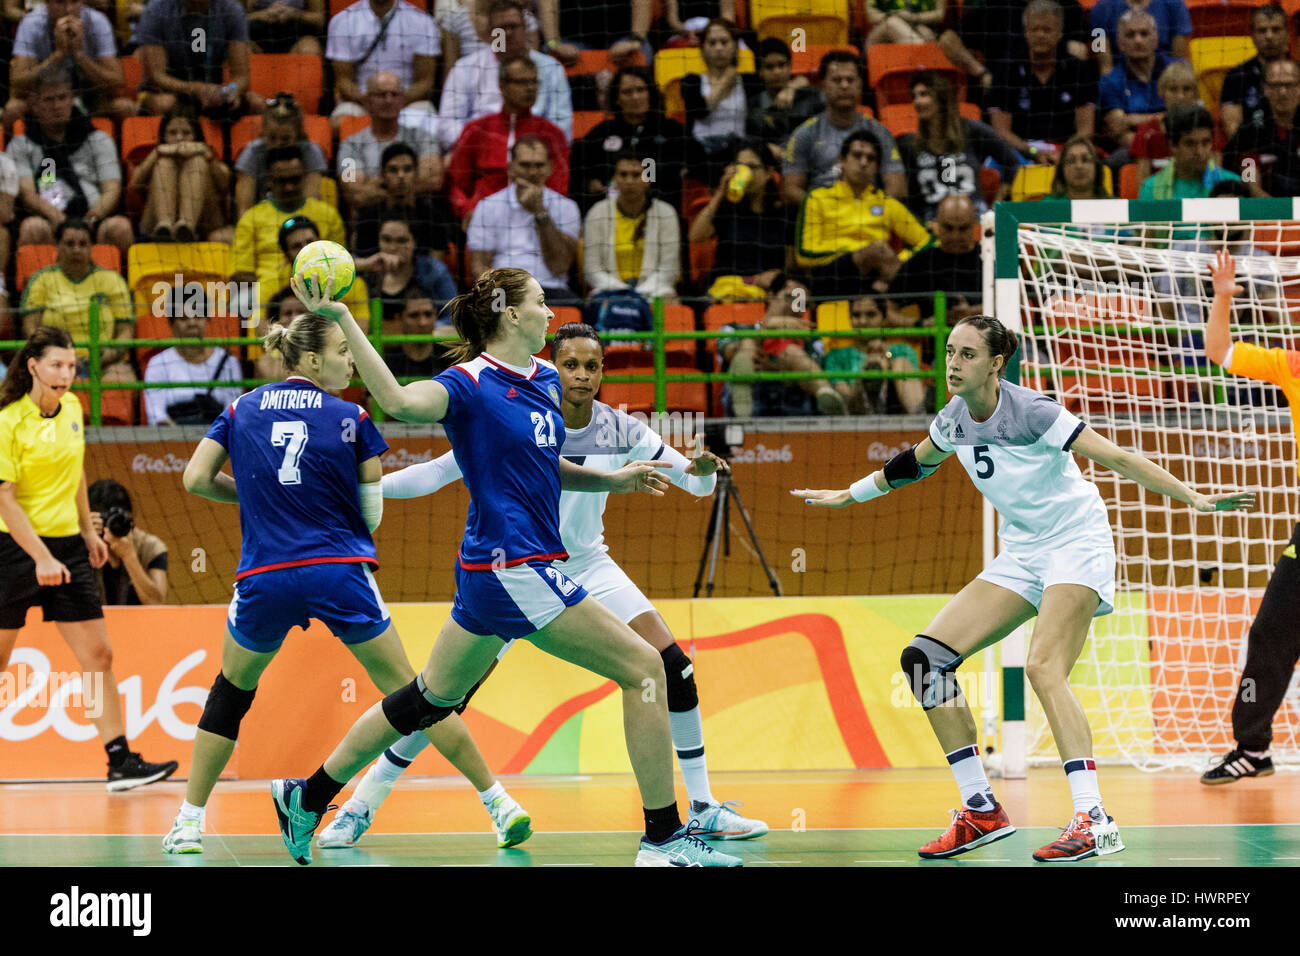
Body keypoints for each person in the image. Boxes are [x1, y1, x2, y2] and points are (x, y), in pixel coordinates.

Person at [270, 267, 742, 867]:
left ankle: (306, 795)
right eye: (542, 303)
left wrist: (610, 481)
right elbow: (395, 400)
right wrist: (341, 318)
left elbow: (543, 464)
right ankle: (663, 838)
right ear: (511, 315)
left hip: (492, 574)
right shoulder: (467, 384)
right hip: (514, 566)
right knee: (645, 669)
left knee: (427, 700)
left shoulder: (544, 378)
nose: (550, 313)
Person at [796, 314, 1254, 861]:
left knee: (1042, 668)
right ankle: (980, 810)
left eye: (967, 355)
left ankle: (1094, 819)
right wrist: (851, 493)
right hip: (1023, 552)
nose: (953, 364)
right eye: (948, 353)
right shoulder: (954, 418)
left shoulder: (1035, 412)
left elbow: (1118, 457)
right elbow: (914, 465)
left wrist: (1194, 499)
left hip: (1075, 543)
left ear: (996, 363)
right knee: (923, 660)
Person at [161, 310, 497, 855]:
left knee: (230, 693)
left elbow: (195, 479)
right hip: (338, 571)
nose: (351, 360)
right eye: (344, 351)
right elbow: (371, 516)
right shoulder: (351, 416)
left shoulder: (240, 408)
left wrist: (262, 501)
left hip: (265, 574)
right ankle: (497, 804)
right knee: (417, 692)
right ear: (314, 360)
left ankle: (187, 823)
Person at [0, 327, 179, 790]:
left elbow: (75, 471)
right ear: (33, 366)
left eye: (72, 366)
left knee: (98, 654)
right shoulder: (7, 421)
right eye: (56, 365)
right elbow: (5, 499)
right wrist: (39, 557)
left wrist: (86, 532)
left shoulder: (75, 409)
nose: (66, 374)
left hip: (67, 548)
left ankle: (119, 761)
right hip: (14, 549)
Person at [1198, 250, 1300, 784]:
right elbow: (1218, 350)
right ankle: (1253, 748)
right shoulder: (1293, 364)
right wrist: (1222, 298)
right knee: (1270, 634)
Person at [8, 67, 135, 258]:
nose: (57, 106)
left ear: (72, 99)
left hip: (93, 220)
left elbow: (112, 189)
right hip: (49, 222)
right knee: (32, 227)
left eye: (62, 97)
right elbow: (27, 194)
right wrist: (58, 219)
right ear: (34, 105)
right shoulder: (22, 144)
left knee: (120, 227)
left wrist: (90, 219)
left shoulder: (98, 139)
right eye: (49, 100)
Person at [796, 130, 933, 298]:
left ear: (877, 167)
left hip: (876, 273)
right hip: (831, 275)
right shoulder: (817, 197)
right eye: (857, 155)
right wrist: (861, 252)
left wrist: (903, 257)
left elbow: (928, 241)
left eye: (871, 158)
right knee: (878, 251)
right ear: (842, 160)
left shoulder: (885, 202)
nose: (863, 162)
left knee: (884, 264)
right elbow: (804, 255)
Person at [446, 54, 569, 225]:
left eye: (534, 82)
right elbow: (457, 184)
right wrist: (467, 210)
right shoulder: (476, 130)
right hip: (484, 222)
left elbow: (560, 186)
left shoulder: (551, 134)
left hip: (535, 221)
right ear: (502, 86)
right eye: (521, 82)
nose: (530, 88)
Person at [438, 0, 572, 151]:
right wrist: (488, 143)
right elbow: (447, 127)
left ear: (525, 28)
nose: (507, 33)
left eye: (513, 26)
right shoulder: (464, 68)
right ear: (489, 34)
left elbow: (562, 129)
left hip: (535, 154)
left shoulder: (551, 68)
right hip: (480, 152)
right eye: (501, 29)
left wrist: (524, 148)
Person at [569, 64, 702, 215]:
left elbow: (698, 163)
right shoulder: (602, 132)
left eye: (641, 90)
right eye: (627, 92)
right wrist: (589, 183)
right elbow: (577, 166)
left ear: (650, 93)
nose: (635, 97)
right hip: (607, 212)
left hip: (660, 211)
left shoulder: (672, 130)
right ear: (617, 99)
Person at [19, 218, 136, 386]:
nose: (76, 250)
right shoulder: (41, 279)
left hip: (103, 362)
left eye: (83, 244)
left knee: (124, 379)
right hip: (52, 361)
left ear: (91, 248)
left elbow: (125, 331)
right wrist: (54, 358)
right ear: (57, 246)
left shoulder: (112, 280)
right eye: (69, 244)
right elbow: (30, 328)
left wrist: (107, 354)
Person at [782, 50, 906, 204]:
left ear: (860, 85)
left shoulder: (879, 132)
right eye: (837, 80)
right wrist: (822, 209)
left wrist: (873, 211)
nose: (844, 85)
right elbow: (790, 190)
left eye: (850, 79)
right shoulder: (804, 134)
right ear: (823, 86)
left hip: (868, 216)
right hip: (822, 217)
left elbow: (898, 188)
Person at [466, 136, 581, 303]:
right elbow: (478, 266)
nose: (533, 172)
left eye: (539, 165)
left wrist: (540, 212)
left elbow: (560, 266)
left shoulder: (567, 207)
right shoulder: (487, 206)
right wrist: (496, 291)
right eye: (525, 165)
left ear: (550, 168)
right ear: (510, 167)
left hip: (552, 290)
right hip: (503, 291)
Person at [230, 146, 347, 306]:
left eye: (294, 179)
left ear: (305, 177)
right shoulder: (252, 218)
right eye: (282, 181)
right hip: (269, 291)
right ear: (270, 180)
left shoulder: (328, 214)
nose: (289, 187)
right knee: (239, 302)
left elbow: (341, 261)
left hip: (320, 285)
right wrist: (273, 282)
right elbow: (240, 273)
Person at [986, 0, 1098, 164]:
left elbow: (1086, 129)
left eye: (1046, 30)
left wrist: (1063, 152)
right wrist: (1032, 152)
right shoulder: (1005, 70)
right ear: (1025, 32)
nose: (1040, 35)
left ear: (1060, 33)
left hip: (1067, 151)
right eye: (1034, 29)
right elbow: (1001, 131)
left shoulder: (1078, 69)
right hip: (1020, 150)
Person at [898, 71, 1019, 221]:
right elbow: (909, 197)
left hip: (975, 219)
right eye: (914, 96)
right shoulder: (910, 144)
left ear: (941, 97)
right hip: (934, 223)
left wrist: (995, 208)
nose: (917, 102)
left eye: (924, 94)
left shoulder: (973, 130)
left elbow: (1012, 163)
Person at [720, 275, 847, 418]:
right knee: (747, 345)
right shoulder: (734, 329)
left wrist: (776, 370)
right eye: (790, 298)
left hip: (794, 406)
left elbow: (817, 367)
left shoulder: (811, 339)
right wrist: (767, 327)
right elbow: (729, 352)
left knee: (793, 353)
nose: (796, 307)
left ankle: (829, 398)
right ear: (770, 295)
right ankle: (742, 401)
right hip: (751, 403)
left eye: (802, 302)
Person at [689, 140, 793, 300]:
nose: (745, 172)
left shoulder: (784, 215)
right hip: (726, 289)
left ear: (768, 173)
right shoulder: (728, 209)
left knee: (796, 294)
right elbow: (696, 235)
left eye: (751, 167)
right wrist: (721, 192)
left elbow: (790, 266)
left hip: (770, 292)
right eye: (739, 166)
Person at [5, 0, 135, 123]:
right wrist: (58, 55)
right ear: (47, 3)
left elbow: (117, 87)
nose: (68, 9)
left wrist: (80, 56)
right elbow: (18, 87)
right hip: (46, 99)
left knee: (124, 107)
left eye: (74, 1)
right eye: (60, 2)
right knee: (13, 109)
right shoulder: (31, 23)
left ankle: (108, 146)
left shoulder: (98, 22)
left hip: (90, 98)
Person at [581, 152, 680, 307]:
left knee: (670, 301)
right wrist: (623, 291)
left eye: (636, 175)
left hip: (654, 289)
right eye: (623, 175)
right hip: (610, 289)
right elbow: (592, 270)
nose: (629, 181)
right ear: (615, 179)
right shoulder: (597, 212)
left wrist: (639, 294)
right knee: (596, 302)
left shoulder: (666, 213)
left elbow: (668, 270)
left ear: (648, 180)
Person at [133, 0, 263, 117]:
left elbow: (241, 77)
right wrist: (196, 89)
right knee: (165, 103)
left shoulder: (232, 10)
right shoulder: (155, 10)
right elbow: (157, 77)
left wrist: (231, 90)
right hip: (169, 91)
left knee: (256, 103)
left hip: (213, 91)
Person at [336, 70, 444, 210]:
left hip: (416, 216)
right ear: (367, 101)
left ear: (402, 100)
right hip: (371, 220)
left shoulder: (423, 137)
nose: (389, 100)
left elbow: (434, 179)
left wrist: (377, 182)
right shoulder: (349, 145)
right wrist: (407, 182)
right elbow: (352, 191)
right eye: (381, 95)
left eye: (394, 94)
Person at [326, 0, 439, 123]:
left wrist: (396, 100)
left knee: (430, 123)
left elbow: (425, 81)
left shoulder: (422, 22)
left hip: (407, 100)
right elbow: (343, 80)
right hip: (361, 101)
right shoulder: (343, 21)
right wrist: (367, 99)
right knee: (339, 123)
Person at [131, 105, 232, 243]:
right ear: (163, 135)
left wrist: (205, 152)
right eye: (172, 133)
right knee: (164, 163)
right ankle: (165, 226)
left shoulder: (205, 156)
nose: (179, 138)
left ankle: (186, 227)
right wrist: (157, 152)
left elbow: (226, 184)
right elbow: (134, 183)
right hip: (154, 230)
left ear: (196, 135)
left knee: (197, 162)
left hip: (204, 229)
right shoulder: (159, 155)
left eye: (186, 133)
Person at [681, 19, 761, 185]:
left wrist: (799, 82)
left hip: (738, 152)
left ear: (735, 46)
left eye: (724, 42)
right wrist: (724, 81)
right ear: (703, 48)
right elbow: (700, 112)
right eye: (712, 43)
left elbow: (780, 81)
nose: (718, 48)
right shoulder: (691, 81)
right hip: (703, 154)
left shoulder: (749, 82)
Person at [351, 142, 457, 263]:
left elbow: (436, 266)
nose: (401, 175)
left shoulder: (433, 218)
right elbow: (364, 264)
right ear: (383, 175)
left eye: (407, 169)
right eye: (393, 170)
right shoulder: (367, 218)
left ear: (416, 174)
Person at [887, 193, 983, 326]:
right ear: (936, 224)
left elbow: (1013, 302)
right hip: (934, 344)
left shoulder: (990, 260)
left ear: (975, 224)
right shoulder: (920, 263)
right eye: (948, 228)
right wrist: (922, 324)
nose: (955, 236)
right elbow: (889, 310)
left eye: (963, 228)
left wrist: (974, 313)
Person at [824, 295, 925, 415]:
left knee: (899, 362)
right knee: (873, 366)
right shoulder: (835, 355)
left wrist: (887, 357)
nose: (863, 321)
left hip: (897, 413)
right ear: (849, 319)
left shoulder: (903, 350)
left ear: (884, 319)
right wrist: (865, 372)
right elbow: (844, 398)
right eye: (856, 315)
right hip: (856, 417)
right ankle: (871, 403)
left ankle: (920, 413)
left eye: (871, 315)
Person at [142, 305, 243, 425]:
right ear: (171, 324)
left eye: (198, 317)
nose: (192, 323)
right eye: (183, 319)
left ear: (207, 320)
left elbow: (232, 410)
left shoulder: (229, 362)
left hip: (217, 434)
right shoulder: (157, 363)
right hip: (172, 436)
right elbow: (157, 415)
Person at [233, 92, 327, 219]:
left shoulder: (312, 151)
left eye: (285, 139)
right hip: (262, 223)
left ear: (298, 135)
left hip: (300, 223)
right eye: (272, 138)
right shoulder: (252, 152)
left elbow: (311, 205)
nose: (277, 144)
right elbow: (244, 210)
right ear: (264, 131)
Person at [1099, 9, 1174, 167]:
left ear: (1155, 39)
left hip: (1176, 146)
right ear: (1120, 44)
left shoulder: (1175, 70)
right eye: (1130, 35)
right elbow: (1117, 130)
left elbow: (1185, 118)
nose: (1138, 40)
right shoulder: (1110, 80)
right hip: (1130, 151)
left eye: (1144, 33)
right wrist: (1163, 118)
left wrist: (1131, 119)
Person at [358, 216, 458, 326]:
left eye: (401, 241)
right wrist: (365, 264)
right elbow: (337, 265)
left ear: (414, 242)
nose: (392, 247)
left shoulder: (433, 270)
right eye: (386, 239)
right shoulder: (366, 269)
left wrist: (421, 328)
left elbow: (454, 315)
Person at [1223, 59, 1300, 198]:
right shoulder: (1251, 131)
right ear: (1266, 89)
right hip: (1265, 210)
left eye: (1289, 85)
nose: (1283, 92)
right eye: (1276, 85)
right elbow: (1249, 181)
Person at [86, 478, 168, 606]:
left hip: (140, 624)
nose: (110, 527)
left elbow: (157, 604)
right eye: (104, 520)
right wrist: (83, 540)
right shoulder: (81, 541)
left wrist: (129, 555)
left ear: (130, 518)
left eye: (116, 519)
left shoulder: (150, 546)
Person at [1130, 60, 1209, 191]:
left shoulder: (1208, 129)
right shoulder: (1146, 132)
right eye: (1173, 89)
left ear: (1196, 93)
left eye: (1187, 89)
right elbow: (1142, 184)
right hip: (1160, 204)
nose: (1180, 96)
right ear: (1162, 92)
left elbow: (1214, 178)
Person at [1220, 3, 1291, 142]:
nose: (1269, 36)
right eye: (1262, 30)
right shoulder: (1236, 76)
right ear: (1252, 35)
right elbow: (1233, 131)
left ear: (1288, 33)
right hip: (1252, 156)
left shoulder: (1298, 72)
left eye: (1275, 30)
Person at [746, 36, 821, 159]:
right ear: (759, 71)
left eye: (782, 65)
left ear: (790, 67)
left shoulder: (811, 97)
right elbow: (753, 145)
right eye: (769, 67)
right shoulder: (753, 105)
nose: (777, 72)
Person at [1089, 0, 1191, 76]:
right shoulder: (1099, 9)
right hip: (1121, 82)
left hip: (1166, 78)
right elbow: (1105, 67)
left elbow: (1180, 63)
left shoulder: (1175, 4)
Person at [380, 294, 453, 380]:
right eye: (414, 315)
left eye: (428, 314)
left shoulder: (451, 359)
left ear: (435, 316)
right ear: (400, 319)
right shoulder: (385, 362)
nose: (422, 323)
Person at [243, 0, 324, 56]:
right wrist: (263, 15)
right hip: (257, 39)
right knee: (241, 50)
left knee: (309, 49)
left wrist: (294, 14)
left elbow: (320, 21)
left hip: (297, 38)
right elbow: (236, 20)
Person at [865, 0, 945, 48]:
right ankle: (921, 55)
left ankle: (926, 66)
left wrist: (914, 17)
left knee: (927, 34)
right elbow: (872, 17)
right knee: (893, 23)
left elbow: (940, 15)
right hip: (880, 36)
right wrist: (895, 15)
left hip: (917, 27)